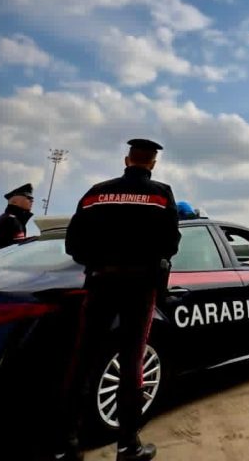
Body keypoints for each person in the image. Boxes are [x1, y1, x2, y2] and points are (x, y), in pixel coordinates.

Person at [54, 139, 181, 461]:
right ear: (152, 164)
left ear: (127, 159)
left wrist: (97, 262)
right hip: (140, 286)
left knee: (82, 360)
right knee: (132, 362)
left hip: (100, 283)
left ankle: (66, 445)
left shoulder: (96, 192)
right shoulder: (160, 193)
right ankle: (128, 445)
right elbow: (171, 243)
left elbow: (72, 242)